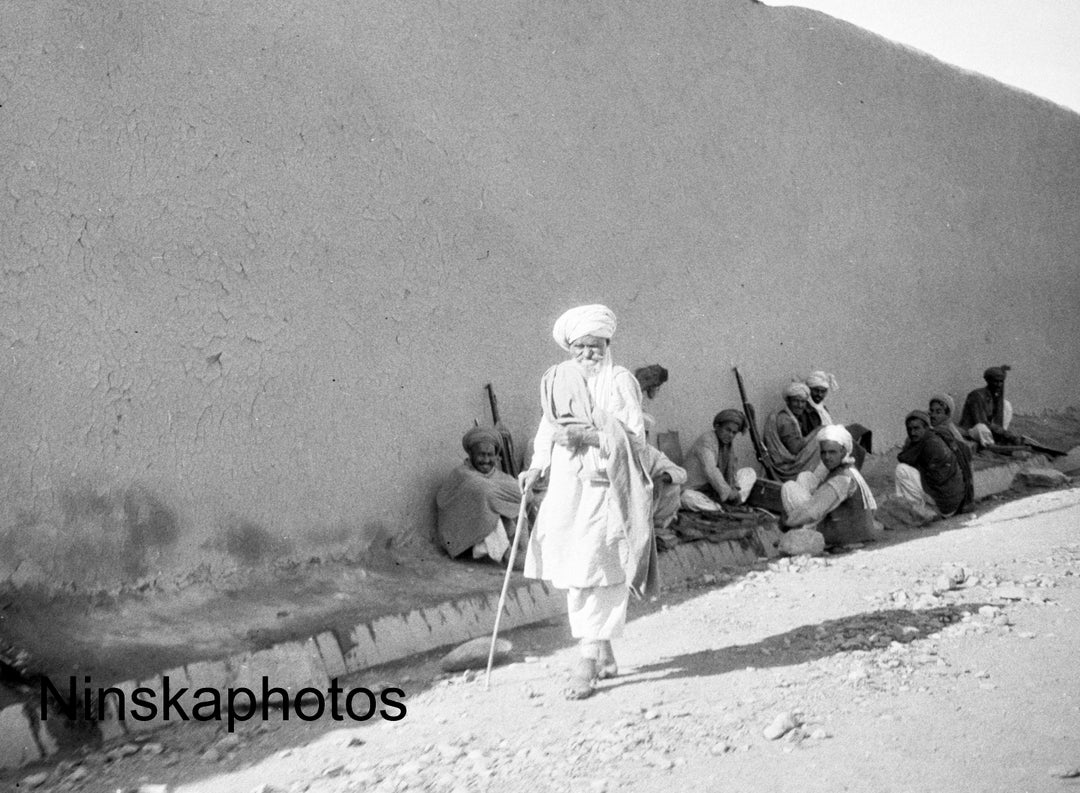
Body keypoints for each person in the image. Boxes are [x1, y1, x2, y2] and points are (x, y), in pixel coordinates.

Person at [519, 304, 655, 700]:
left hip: (606, 486)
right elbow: (548, 428)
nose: (588, 355)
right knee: (574, 565)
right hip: (567, 486)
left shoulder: (619, 382)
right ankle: (605, 653)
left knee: (601, 566)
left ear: (607, 344)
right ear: (569, 348)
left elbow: (635, 437)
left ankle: (588, 658)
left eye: (595, 347)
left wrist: (590, 438)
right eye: (580, 348)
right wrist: (536, 466)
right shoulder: (560, 380)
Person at [435, 427, 524, 565]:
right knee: (483, 494)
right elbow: (482, 491)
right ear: (471, 454)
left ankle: (522, 549)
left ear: (496, 456)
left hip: (494, 532)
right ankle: (507, 555)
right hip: (464, 539)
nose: (486, 460)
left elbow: (523, 492)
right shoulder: (462, 474)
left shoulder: (500, 477)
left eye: (490, 455)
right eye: (481, 454)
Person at [780, 424, 878, 547]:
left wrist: (787, 522)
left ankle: (800, 535)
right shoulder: (849, 469)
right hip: (855, 531)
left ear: (843, 451)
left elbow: (813, 511)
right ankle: (799, 531)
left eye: (832, 452)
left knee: (788, 487)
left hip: (846, 536)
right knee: (805, 477)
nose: (827, 457)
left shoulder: (843, 478)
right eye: (824, 452)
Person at [893, 410, 966, 522]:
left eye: (916, 428)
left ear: (926, 428)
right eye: (909, 429)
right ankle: (910, 506)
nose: (912, 433)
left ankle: (921, 511)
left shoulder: (930, 444)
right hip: (952, 501)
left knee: (901, 470)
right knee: (907, 470)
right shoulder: (930, 438)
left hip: (945, 504)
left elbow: (904, 458)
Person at [680, 409, 758, 512]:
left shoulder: (728, 445)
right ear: (717, 426)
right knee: (686, 498)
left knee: (749, 472)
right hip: (698, 489)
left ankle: (730, 503)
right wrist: (728, 492)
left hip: (718, 491)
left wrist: (734, 488)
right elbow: (711, 471)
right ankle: (720, 508)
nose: (730, 435)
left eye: (734, 432)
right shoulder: (706, 441)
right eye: (728, 430)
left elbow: (732, 469)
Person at [762, 382, 822, 481]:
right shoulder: (785, 420)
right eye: (796, 401)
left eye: (803, 402)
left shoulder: (793, 417)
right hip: (788, 468)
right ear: (788, 401)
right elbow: (795, 449)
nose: (800, 405)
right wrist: (816, 432)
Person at [929, 393, 975, 512]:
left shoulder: (943, 433)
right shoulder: (946, 430)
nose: (933, 415)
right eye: (931, 411)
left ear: (947, 415)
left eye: (938, 412)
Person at [959, 365, 1020, 447]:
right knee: (981, 428)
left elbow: (996, 421)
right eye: (996, 381)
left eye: (1001, 382)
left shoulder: (995, 397)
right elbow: (981, 421)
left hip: (989, 431)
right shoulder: (977, 395)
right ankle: (990, 446)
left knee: (1007, 405)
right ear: (988, 381)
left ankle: (997, 440)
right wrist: (1004, 433)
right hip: (972, 431)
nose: (999, 385)